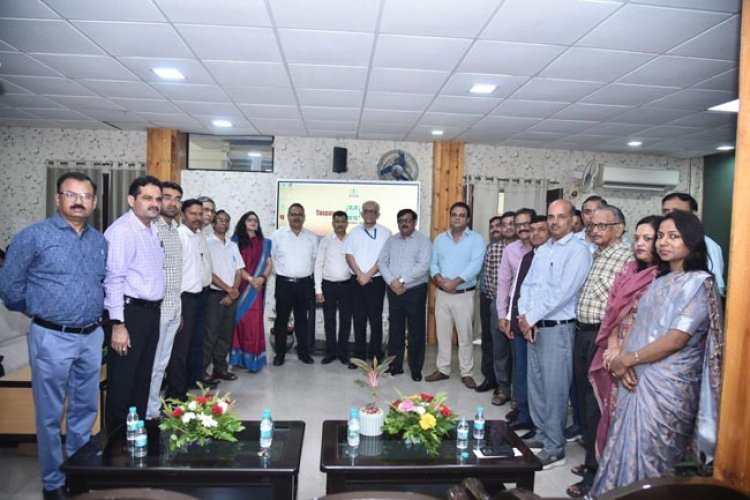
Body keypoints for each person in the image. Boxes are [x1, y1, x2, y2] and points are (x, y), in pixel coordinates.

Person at [592, 211, 724, 495]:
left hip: (669, 386)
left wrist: (628, 360)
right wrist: (623, 363)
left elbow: (676, 339)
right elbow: (638, 324)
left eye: (674, 236)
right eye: (661, 236)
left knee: (655, 454)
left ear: (692, 240)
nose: (664, 242)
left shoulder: (700, 283)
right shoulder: (660, 280)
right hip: (634, 377)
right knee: (623, 444)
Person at [0, 172, 107, 500]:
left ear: (94, 202)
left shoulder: (99, 241)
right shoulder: (33, 236)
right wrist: (42, 311)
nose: (78, 201)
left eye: (85, 196)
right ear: (58, 197)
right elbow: (10, 288)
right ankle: (52, 482)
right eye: (71, 194)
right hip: (51, 336)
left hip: (91, 336)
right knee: (49, 415)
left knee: (85, 412)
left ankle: (78, 475)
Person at [518, 199, 592, 469]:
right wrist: (524, 317)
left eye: (561, 216)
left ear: (573, 220)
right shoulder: (543, 249)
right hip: (534, 326)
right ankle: (541, 433)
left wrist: (531, 317)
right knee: (536, 385)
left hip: (558, 329)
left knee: (555, 389)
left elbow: (564, 292)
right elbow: (528, 285)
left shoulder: (578, 251)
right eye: (551, 216)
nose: (555, 221)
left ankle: (555, 448)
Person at [568, 205, 633, 498]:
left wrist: (613, 342)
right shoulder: (597, 254)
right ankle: (591, 460)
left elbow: (623, 307)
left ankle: (596, 476)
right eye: (591, 226)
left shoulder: (627, 259)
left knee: (597, 405)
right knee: (584, 401)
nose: (594, 231)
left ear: (619, 228)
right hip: (583, 333)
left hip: (604, 338)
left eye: (601, 226)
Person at [588, 216, 662, 462]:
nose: (639, 243)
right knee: (608, 412)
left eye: (647, 239)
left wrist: (623, 355)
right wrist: (612, 346)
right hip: (614, 350)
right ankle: (603, 469)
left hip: (640, 355)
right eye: (637, 238)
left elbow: (643, 319)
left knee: (632, 421)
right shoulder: (628, 270)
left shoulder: (661, 277)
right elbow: (613, 311)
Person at [104, 175, 165, 431]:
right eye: (147, 198)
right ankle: (117, 441)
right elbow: (113, 279)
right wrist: (118, 324)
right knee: (123, 380)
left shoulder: (152, 229)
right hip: (129, 314)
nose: (154, 204)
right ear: (131, 200)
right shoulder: (122, 232)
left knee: (142, 378)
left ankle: (137, 435)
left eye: (158, 199)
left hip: (150, 312)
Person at [426, 201, 485, 389]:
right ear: (450, 217)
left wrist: (455, 282)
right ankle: (443, 369)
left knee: (465, 335)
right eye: (454, 215)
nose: (457, 218)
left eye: (461, 215)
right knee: (442, 334)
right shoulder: (440, 239)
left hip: (464, 294)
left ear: (468, 219)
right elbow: (433, 263)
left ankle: (466, 372)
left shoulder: (476, 240)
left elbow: (475, 266)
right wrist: (438, 278)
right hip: (442, 293)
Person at [503, 214, 547, 438]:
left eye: (541, 229)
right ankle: (523, 412)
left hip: (540, 324)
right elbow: (517, 290)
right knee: (521, 369)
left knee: (536, 376)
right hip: (521, 321)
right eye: (533, 229)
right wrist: (512, 317)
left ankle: (536, 421)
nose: (535, 234)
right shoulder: (528, 257)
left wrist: (531, 319)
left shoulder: (551, 256)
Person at [166, 199, 213, 401]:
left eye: (200, 214)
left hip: (200, 297)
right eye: (193, 214)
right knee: (180, 348)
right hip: (183, 299)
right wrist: (176, 306)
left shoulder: (198, 235)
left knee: (196, 343)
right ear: (182, 215)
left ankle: (192, 382)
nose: (197, 217)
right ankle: (176, 393)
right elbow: (171, 273)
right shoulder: (179, 236)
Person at [378, 208, 432, 381]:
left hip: (415, 290)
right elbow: (382, 262)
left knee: (416, 330)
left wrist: (401, 280)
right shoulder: (391, 240)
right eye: (401, 220)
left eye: (407, 220)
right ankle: (395, 365)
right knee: (396, 329)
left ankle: (415, 368)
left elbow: (423, 266)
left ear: (414, 222)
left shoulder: (423, 241)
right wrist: (392, 281)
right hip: (394, 291)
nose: (404, 223)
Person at [146, 181, 182, 421]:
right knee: (151, 364)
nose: (172, 203)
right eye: (167, 197)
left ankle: (153, 408)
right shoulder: (151, 229)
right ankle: (146, 410)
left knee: (161, 364)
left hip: (173, 307)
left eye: (177, 199)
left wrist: (179, 310)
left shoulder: (174, 230)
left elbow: (175, 272)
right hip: (156, 309)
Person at [497, 208, 536, 413]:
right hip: (515, 310)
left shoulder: (544, 249)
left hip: (539, 314)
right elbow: (504, 284)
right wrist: (502, 315)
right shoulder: (511, 250)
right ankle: (519, 400)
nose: (522, 228)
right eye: (518, 224)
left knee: (535, 366)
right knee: (518, 360)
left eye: (525, 223)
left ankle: (531, 406)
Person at [344, 201, 392, 366]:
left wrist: (369, 274)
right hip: (357, 280)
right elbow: (349, 255)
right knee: (358, 319)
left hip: (376, 280)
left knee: (375, 319)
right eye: (366, 211)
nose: (369, 214)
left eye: (372, 211)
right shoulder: (354, 232)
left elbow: (384, 258)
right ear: (362, 214)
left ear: (378, 214)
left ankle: (376, 355)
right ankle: (359, 356)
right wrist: (360, 274)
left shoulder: (386, 233)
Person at [270, 203, 317, 366]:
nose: (296, 217)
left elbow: (315, 260)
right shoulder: (277, 235)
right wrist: (281, 273)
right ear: (288, 216)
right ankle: (280, 354)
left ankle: (303, 353)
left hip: (304, 284)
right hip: (284, 284)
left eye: (299, 214)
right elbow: (271, 258)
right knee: (281, 320)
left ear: (304, 217)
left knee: (302, 320)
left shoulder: (312, 237)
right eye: (293, 214)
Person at [476, 211, 516, 397]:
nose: (507, 227)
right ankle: (500, 384)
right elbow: (490, 279)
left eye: (511, 224)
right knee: (495, 345)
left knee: (515, 349)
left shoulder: (527, 247)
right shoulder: (493, 249)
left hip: (519, 306)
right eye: (504, 224)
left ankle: (515, 389)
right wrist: (501, 303)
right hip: (496, 302)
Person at [204, 210, 244, 381]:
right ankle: (202, 371)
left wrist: (233, 292)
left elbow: (239, 270)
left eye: (227, 220)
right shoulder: (206, 242)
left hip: (231, 296)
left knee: (225, 335)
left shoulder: (232, 245)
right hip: (214, 295)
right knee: (210, 335)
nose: (224, 223)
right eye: (220, 220)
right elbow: (208, 272)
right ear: (213, 223)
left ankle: (220, 369)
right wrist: (228, 289)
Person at [231, 211, 272, 372]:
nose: (253, 222)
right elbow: (235, 264)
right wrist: (250, 279)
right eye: (249, 220)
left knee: (253, 323)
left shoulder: (264, 243)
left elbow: (269, 263)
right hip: (241, 286)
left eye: (256, 220)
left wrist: (262, 278)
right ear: (243, 222)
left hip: (256, 289)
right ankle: (238, 360)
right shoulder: (235, 241)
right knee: (239, 322)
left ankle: (253, 360)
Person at [661, 192, 725, 294]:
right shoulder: (661, 242)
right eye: (666, 211)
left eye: (677, 211)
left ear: (693, 214)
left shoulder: (708, 245)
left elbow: (716, 286)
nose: (670, 215)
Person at [314, 210, 353, 365]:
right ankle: (330, 353)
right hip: (328, 285)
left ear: (346, 223)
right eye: (337, 221)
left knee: (345, 320)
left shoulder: (351, 240)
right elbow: (318, 264)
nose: (339, 224)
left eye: (342, 221)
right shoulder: (325, 240)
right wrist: (318, 290)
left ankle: (343, 353)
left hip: (347, 286)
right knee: (329, 320)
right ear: (333, 223)